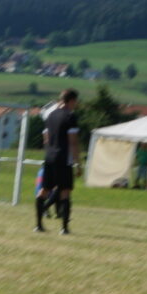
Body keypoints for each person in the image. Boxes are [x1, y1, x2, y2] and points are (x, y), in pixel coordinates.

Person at [34, 88, 83, 233]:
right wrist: (78, 163)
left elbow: (46, 138)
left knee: (44, 190)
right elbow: (73, 142)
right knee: (65, 191)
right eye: (76, 101)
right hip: (63, 158)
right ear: (72, 100)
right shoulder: (70, 116)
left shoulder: (51, 115)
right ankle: (64, 228)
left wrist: (50, 151)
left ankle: (38, 225)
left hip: (49, 157)